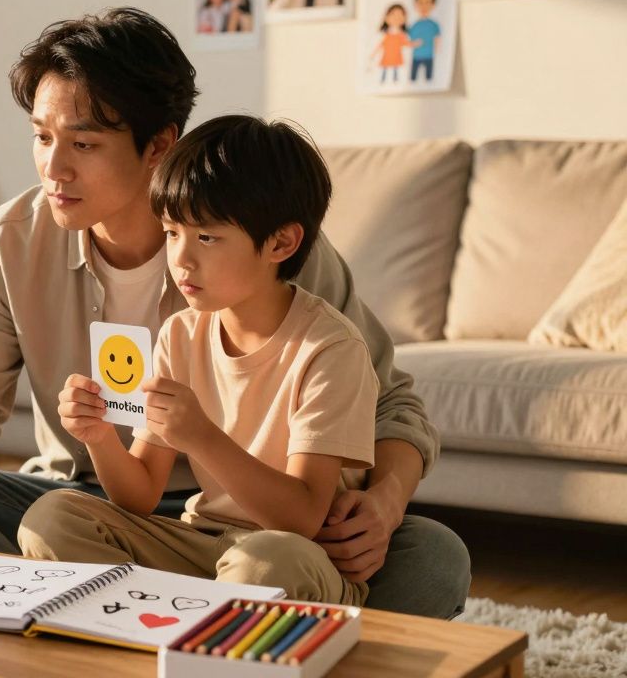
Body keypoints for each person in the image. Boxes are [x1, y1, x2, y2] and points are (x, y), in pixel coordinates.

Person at [0, 7, 470, 619]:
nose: (53, 167)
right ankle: (194, 614)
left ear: (159, 144)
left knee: (432, 557)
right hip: (91, 498)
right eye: (41, 138)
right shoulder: (11, 240)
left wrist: (383, 504)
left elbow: (391, 405)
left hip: (264, 513)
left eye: (84, 144)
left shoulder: (263, 241)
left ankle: (83, 599)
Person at [19, 115, 376, 606]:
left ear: (281, 243)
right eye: (171, 233)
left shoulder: (330, 351)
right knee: (51, 518)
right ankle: (174, 623)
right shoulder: (181, 333)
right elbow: (139, 496)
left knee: (267, 562)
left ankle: (182, 623)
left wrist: (203, 438)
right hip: (199, 546)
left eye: (206, 238)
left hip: (294, 556)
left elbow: (303, 518)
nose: (181, 259)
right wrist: (99, 437)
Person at [408, 0, 442, 83]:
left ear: (433, 5)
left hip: (429, 55)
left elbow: (437, 37)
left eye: (427, 2)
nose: (424, 6)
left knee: (429, 77)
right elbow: (409, 39)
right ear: (416, 5)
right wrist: (413, 44)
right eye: (421, 3)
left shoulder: (433, 24)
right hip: (416, 55)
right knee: (413, 77)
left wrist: (437, 49)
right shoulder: (414, 25)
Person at [371, 3, 411, 84]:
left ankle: (395, 80)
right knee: (385, 68)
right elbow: (380, 45)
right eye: (393, 15)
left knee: (395, 68)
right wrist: (373, 54)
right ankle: (383, 79)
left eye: (400, 15)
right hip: (387, 56)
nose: (396, 18)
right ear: (386, 17)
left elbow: (406, 44)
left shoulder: (401, 35)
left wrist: (415, 44)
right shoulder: (385, 35)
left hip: (396, 55)